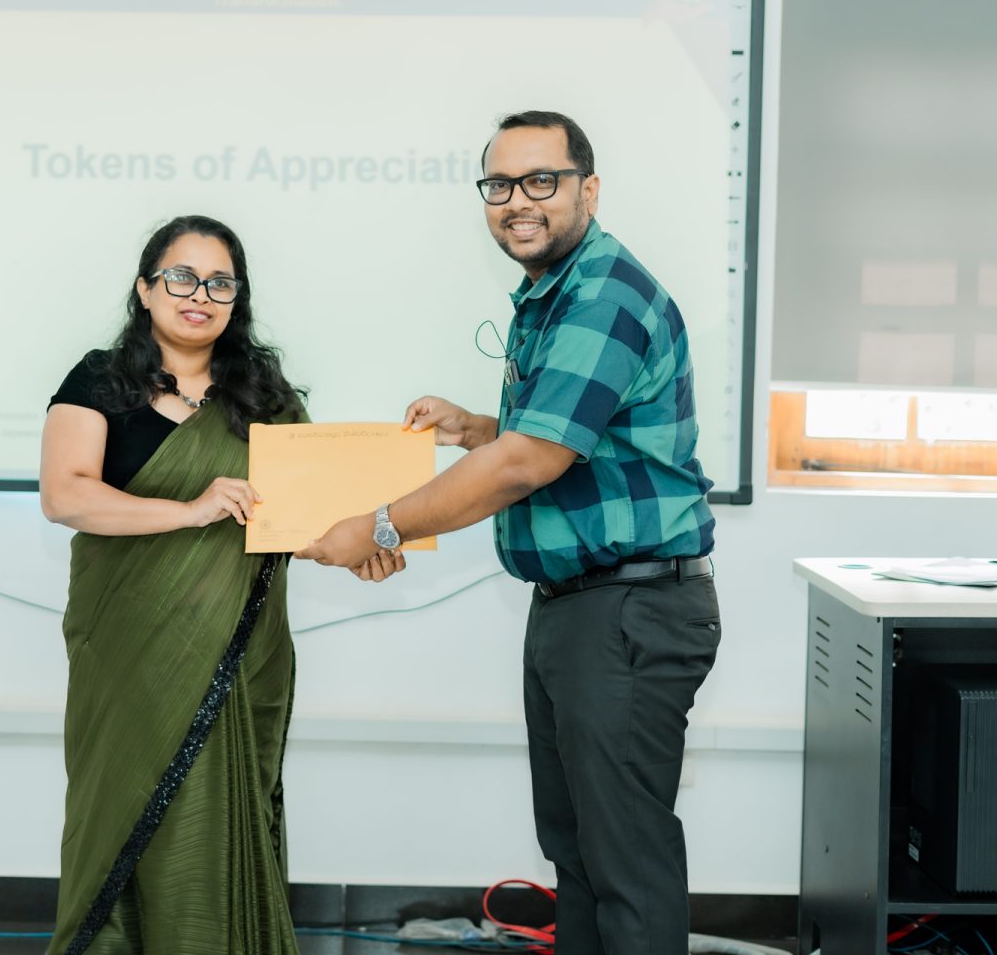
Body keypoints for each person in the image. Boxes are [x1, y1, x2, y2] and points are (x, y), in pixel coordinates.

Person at [297, 111, 721, 955]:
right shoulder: (557, 292)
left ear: (587, 189)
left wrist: (378, 525)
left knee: (625, 865)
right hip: (582, 608)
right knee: (580, 856)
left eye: (541, 181)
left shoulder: (602, 297)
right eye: (499, 184)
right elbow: (572, 440)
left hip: (624, 613)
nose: (517, 201)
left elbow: (528, 464)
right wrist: (475, 428)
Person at [39, 215, 387, 955]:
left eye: (220, 283)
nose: (200, 295)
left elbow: (306, 518)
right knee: (128, 808)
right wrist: (189, 510)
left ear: (238, 297)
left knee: (221, 819)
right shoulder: (100, 379)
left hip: (242, 654)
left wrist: (364, 546)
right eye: (182, 277)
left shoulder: (266, 397)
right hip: (128, 653)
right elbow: (65, 495)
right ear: (145, 288)